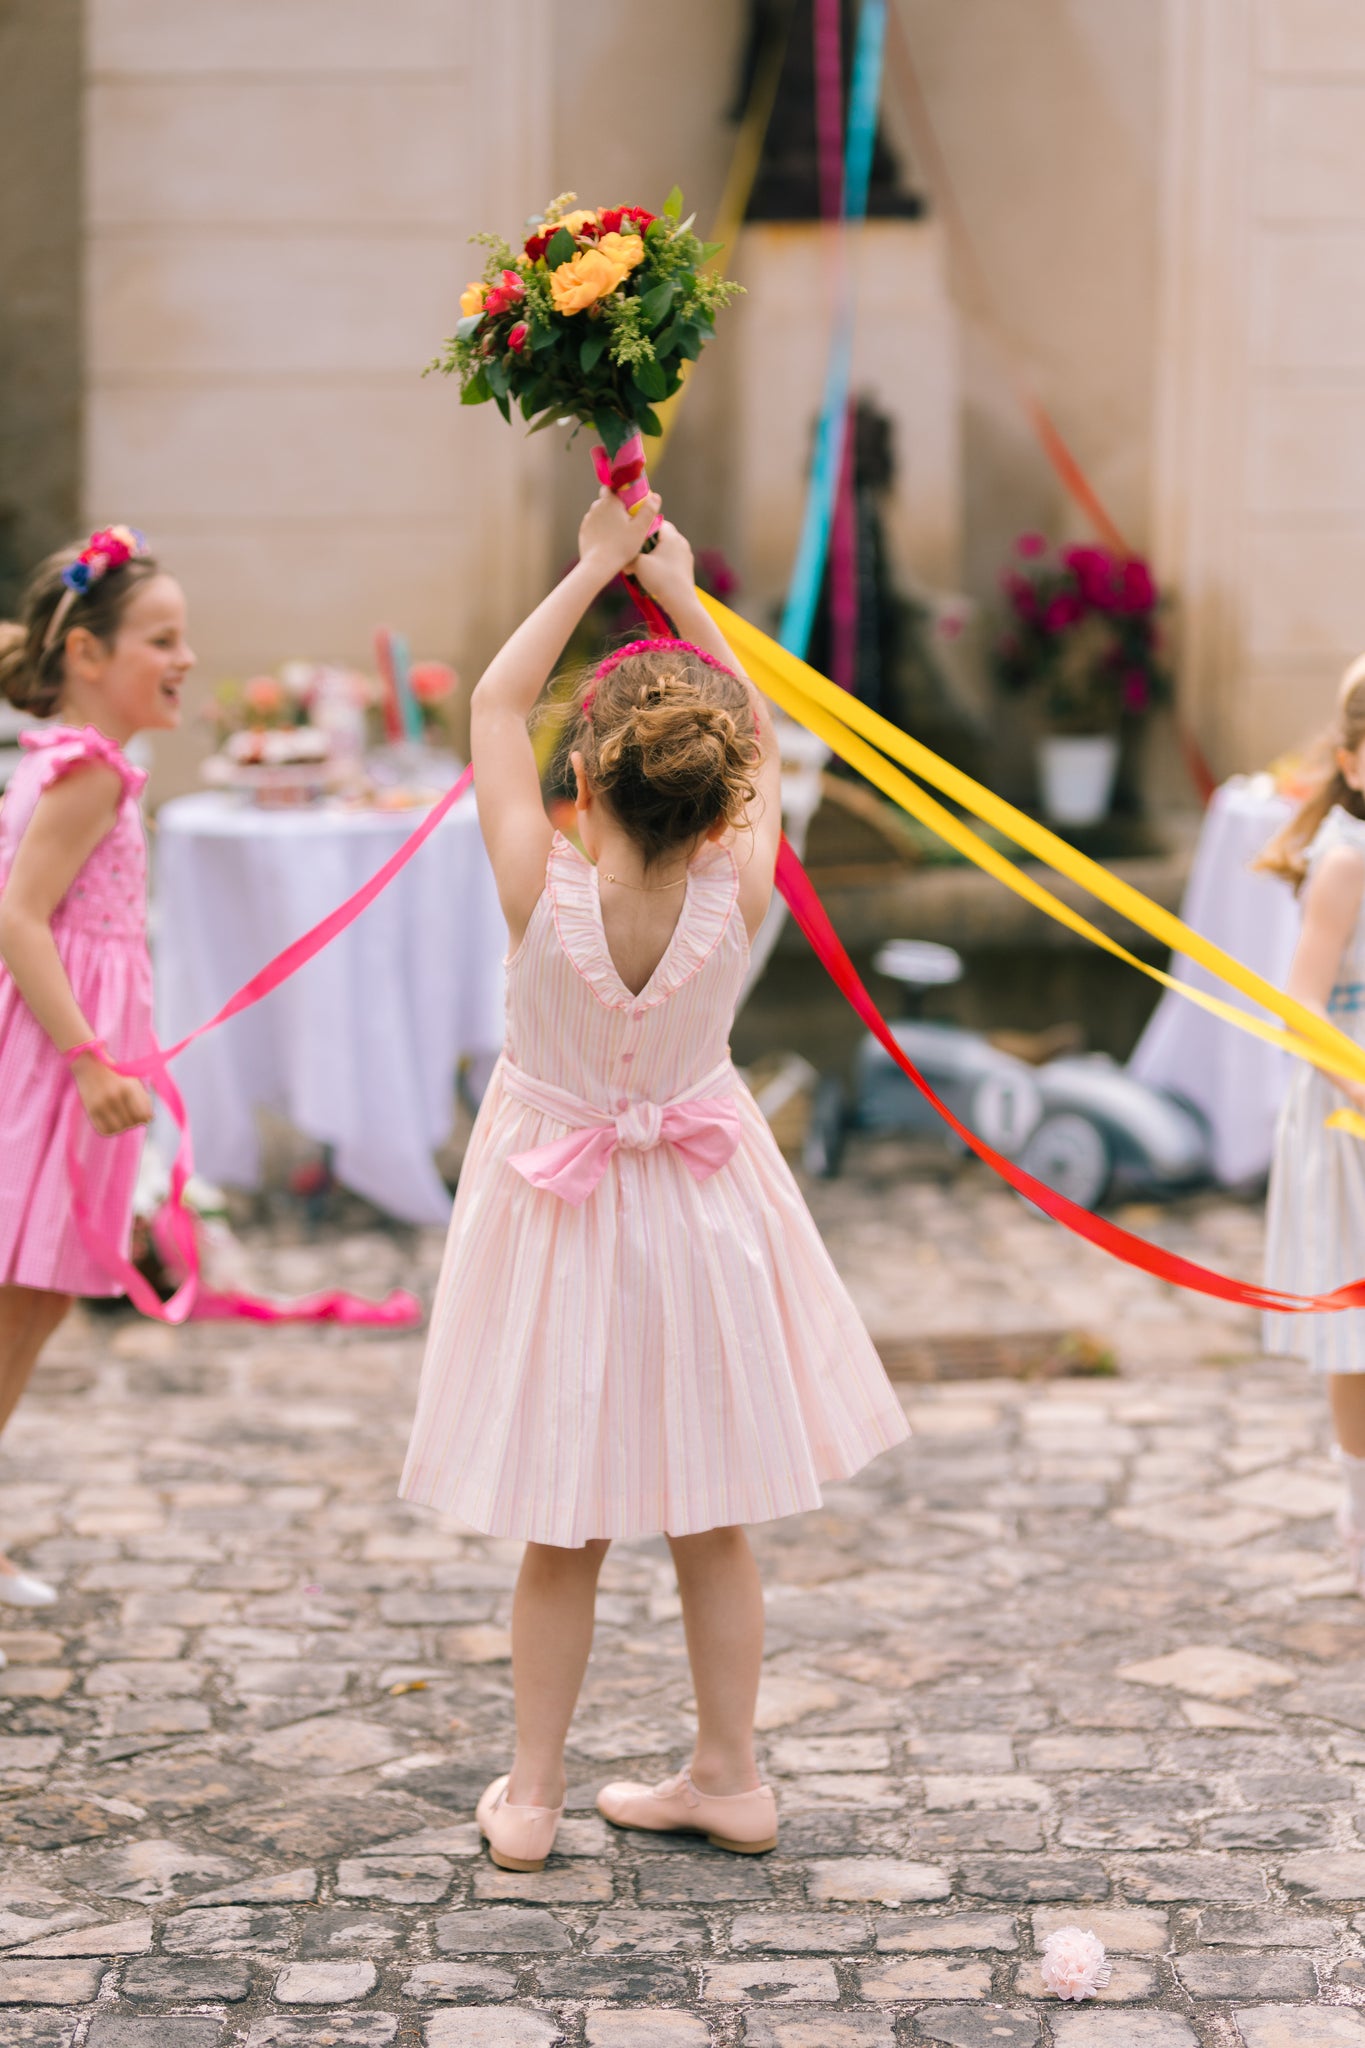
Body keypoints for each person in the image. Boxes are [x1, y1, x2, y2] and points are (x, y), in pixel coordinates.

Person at [400, 488, 909, 1872]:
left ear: (580, 785)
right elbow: (769, 732)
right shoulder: (738, 891)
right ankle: (729, 1774)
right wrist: (681, 596)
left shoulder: (535, 884)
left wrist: (588, 573)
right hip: (702, 1213)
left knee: (563, 1529)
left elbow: (492, 709)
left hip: (556, 1215)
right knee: (709, 1516)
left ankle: (534, 1796)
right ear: (724, 799)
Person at [0, 528, 193, 1631]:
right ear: (85, 651)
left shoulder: (74, 758)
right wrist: (86, 1061)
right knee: (23, 1296)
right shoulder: (90, 773)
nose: (185, 657)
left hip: (68, 1052)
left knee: (32, 1297)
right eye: (161, 639)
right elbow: (21, 919)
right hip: (54, 1060)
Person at [1260, 654, 1365, 1588]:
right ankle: (1358, 1510)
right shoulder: (1344, 864)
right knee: (1359, 1331)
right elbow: (1303, 1002)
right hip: (1349, 1117)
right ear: (1355, 763)